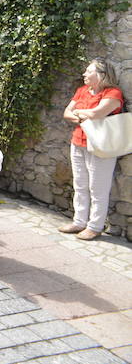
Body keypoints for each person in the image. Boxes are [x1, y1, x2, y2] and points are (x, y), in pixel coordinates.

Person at [60, 58, 124, 240]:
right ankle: (79, 221)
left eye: (89, 71)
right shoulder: (82, 91)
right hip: (78, 142)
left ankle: (95, 226)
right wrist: (85, 116)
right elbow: (66, 113)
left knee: (98, 189)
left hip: (101, 145)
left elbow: (98, 114)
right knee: (79, 185)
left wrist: (80, 113)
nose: (84, 74)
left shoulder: (113, 93)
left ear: (102, 75)